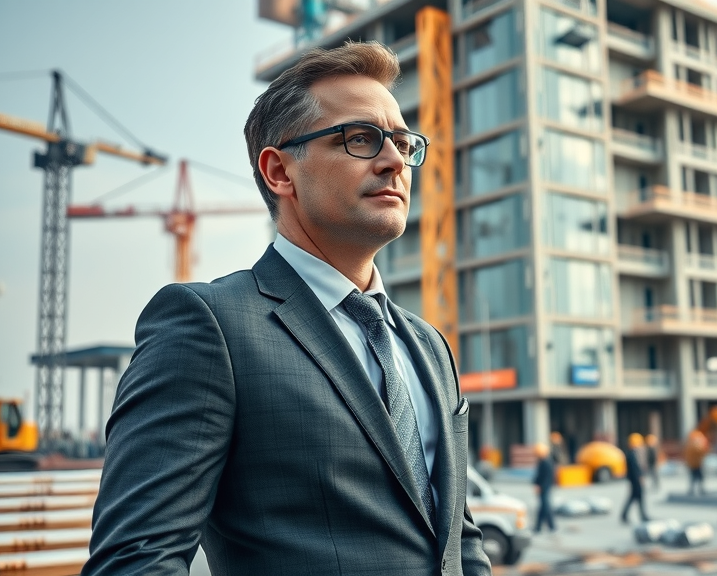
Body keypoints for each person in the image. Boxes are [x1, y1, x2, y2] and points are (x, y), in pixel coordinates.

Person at [83, 42, 491, 576]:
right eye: (362, 138)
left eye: (404, 142)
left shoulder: (429, 346)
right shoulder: (210, 326)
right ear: (279, 172)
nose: (395, 161)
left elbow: (459, 540)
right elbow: (134, 560)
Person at [620, 433, 650, 524]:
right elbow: (635, 468)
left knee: (634, 497)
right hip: (635, 480)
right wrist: (640, 478)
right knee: (639, 497)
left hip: (634, 479)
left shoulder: (632, 453)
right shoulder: (633, 454)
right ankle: (642, 516)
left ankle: (625, 515)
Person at [532, 442, 556, 534]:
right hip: (543, 487)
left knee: (545, 507)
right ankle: (541, 527)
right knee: (543, 507)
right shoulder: (542, 462)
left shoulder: (546, 462)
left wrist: (540, 487)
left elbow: (547, 478)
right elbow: (538, 476)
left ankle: (549, 526)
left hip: (544, 488)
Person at [685, 430, 708, 497]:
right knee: (699, 477)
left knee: (693, 478)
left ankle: (692, 489)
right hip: (697, 464)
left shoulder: (689, 444)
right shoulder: (696, 445)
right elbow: (702, 452)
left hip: (693, 464)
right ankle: (700, 489)